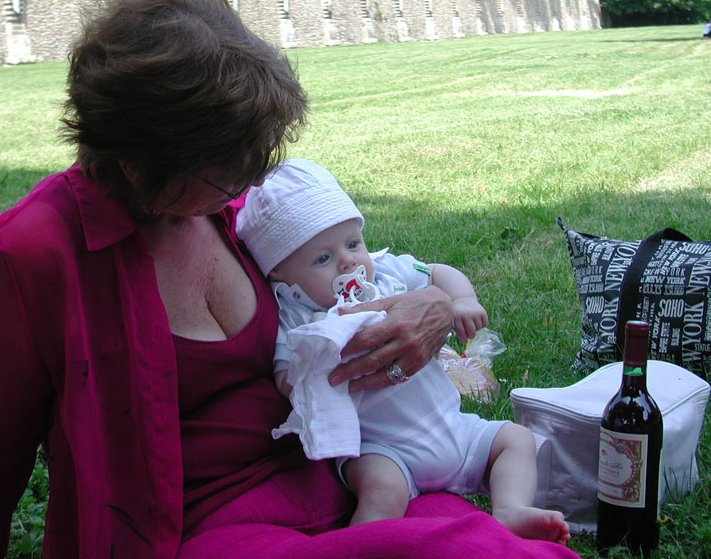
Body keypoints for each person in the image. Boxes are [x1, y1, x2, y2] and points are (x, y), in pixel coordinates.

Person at [0, 0, 582, 559]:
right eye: (234, 163)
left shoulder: (230, 213)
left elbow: (365, 274)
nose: (255, 179)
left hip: (352, 475)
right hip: (201, 524)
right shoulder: (30, 256)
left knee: (491, 546)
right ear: (142, 157)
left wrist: (433, 305)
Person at [236, 158, 570, 543]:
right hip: (383, 449)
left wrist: (462, 300)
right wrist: (308, 375)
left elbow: (438, 272)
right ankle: (360, 548)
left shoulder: (387, 273)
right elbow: (284, 376)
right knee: (381, 492)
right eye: (323, 258)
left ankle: (510, 509)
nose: (348, 262)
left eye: (353, 243)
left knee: (515, 440)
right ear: (280, 274)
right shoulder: (299, 319)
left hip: (454, 427)